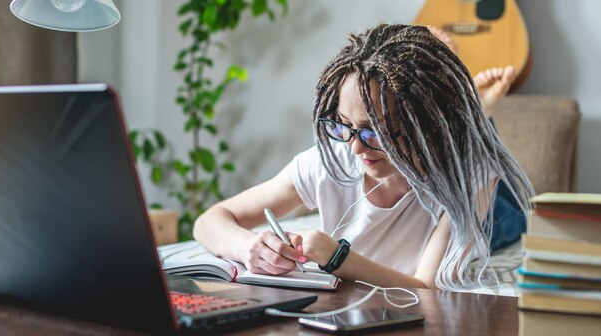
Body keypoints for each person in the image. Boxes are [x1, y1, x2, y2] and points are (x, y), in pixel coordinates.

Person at [193, 24, 534, 290]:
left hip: (478, 197)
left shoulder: (471, 174)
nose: (355, 147)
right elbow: (209, 221)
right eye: (344, 125)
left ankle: (471, 117)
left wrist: (339, 257)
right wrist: (250, 246)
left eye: (375, 132)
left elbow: (428, 289)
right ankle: (467, 112)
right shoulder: (335, 158)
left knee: (507, 220)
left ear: (426, 126)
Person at [428, 25, 528, 252]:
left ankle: (476, 114)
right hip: (461, 212)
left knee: (517, 215)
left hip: (491, 209)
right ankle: (476, 114)